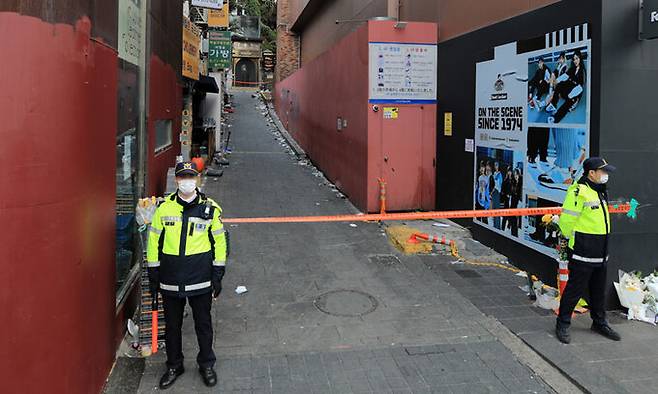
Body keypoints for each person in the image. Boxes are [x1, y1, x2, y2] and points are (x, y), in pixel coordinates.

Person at [147, 161, 228, 389]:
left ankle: (206, 364)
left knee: (203, 324)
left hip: (200, 278)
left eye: (190, 176)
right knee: (171, 327)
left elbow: (220, 242)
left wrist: (218, 273)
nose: (186, 181)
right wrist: (153, 272)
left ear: (198, 179)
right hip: (170, 278)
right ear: (177, 181)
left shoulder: (210, 208)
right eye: (182, 177)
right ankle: (174, 365)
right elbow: (153, 241)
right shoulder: (163, 209)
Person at [555, 157, 621, 344]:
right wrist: (573, 244)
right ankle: (562, 323)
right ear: (591, 173)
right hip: (583, 250)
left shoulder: (600, 191)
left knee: (598, 290)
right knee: (574, 290)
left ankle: (599, 322)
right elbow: (566, 222)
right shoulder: (579, 191)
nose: (606, 175)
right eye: (603, 171)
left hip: (601, 251)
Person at [547, 50, 586, 124]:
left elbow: (580, 88)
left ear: (580, 59)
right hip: (569, 91)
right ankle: (553, 104)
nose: (575, 61)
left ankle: (555, 118)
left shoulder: (582, 71)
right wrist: (557, 81)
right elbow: (565, 76)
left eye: (577, 58)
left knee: (567, 104)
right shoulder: (573, 68)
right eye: (574, 59)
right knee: (560, 84)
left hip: (575, 95)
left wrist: (571, 95)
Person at [492, 162, 503, 229]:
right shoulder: (494, 174)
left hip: (497, 192)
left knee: (497, 210)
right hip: (493, 192)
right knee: (494, 209)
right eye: (495, 165)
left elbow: (500, 185)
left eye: (496, 165)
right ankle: (494, 225)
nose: (495, 166)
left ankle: (498, 226)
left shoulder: (500, 174)